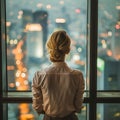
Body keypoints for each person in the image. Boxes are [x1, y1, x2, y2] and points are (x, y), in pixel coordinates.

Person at [32, 30, 85, 120]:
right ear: (67, 50)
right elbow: (78, 105)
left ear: (49, 48)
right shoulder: (78, 76)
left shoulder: (39, 75)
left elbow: (37, 106)